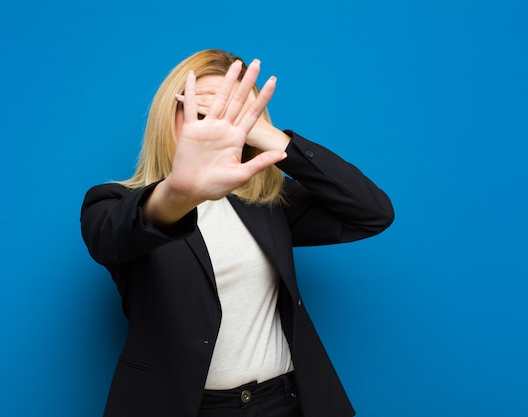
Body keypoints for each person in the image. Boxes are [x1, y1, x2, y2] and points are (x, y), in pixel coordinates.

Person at [80, 49, 394, 417]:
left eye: (231, 111)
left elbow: (371, 212)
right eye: (202, 110)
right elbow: (115, 235)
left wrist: (271, 136)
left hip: (285, 401)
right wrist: (179, 193)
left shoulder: (266, 204)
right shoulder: (113, 203)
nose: (216, 124)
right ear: (168, 117)